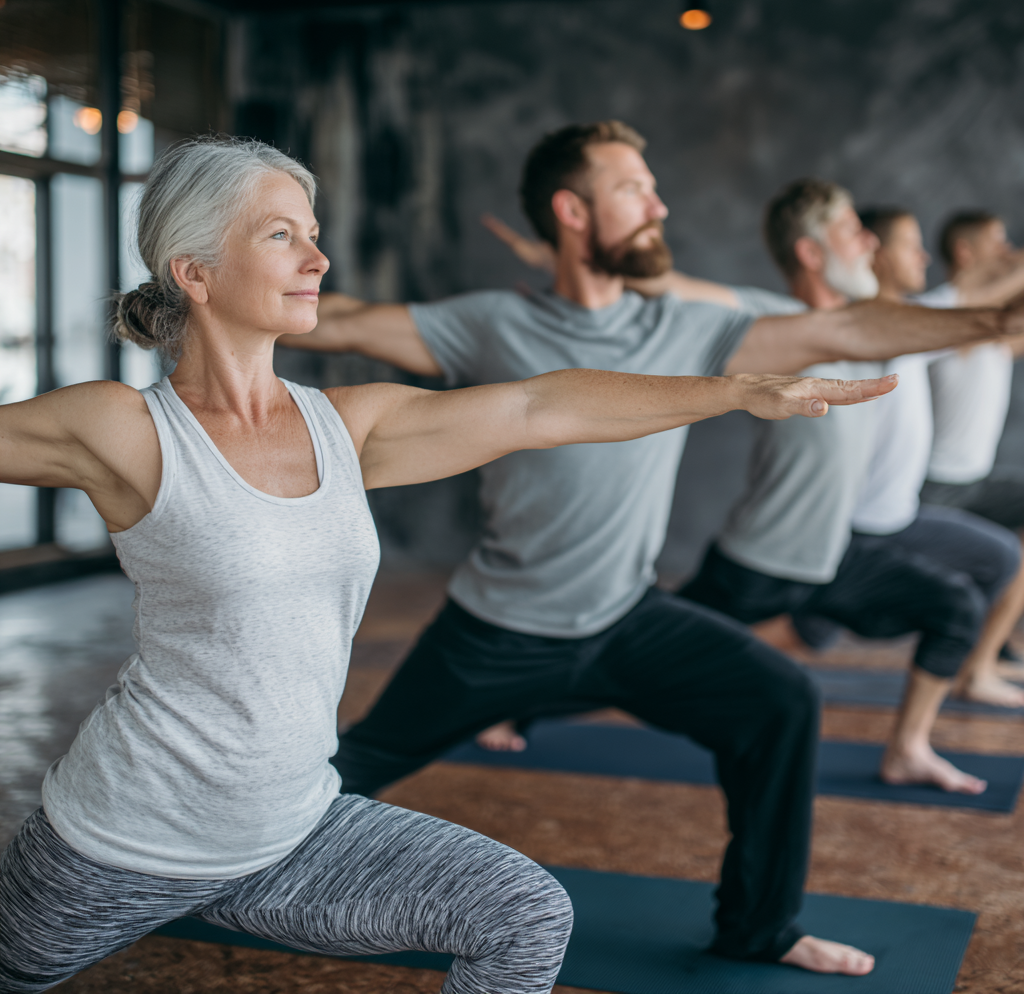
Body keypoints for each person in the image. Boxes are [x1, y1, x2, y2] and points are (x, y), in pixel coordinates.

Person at [0, 137, 881, 994]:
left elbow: (543, 405)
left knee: (525, 916)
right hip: (119, 842)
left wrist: (731, 393)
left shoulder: (348, 427)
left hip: (293, 832)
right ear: (194, 271)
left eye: (313, 232)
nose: (319, 257)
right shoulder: (124, 428)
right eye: (282, 235)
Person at [281, 121, 1024, 975]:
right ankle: (205, 859)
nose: (657, 203)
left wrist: (994, 318)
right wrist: (201, 295)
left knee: (779, 704)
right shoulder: (487, 323)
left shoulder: (687, 325)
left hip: (627, 617)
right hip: (496, 630)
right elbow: (338, 321)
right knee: (346, 772)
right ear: (572, 210)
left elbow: (849, 329)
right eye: (634, 188)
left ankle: (760, 928)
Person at [681, 182, 1020, 797]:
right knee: (636, 646)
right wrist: (622, 277)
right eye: (850, 231)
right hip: (760, 556)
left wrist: (1001, 311)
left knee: (952, 608)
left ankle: (908, 749)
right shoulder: (778, 324)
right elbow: (693, 294)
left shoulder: (874, 330)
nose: (866, 239)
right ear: (811, 252)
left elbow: (971, 315)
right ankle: (530, 702)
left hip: (830, 554)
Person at [837, 208, 1024, 708]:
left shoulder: (958, 319)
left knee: (998, 559)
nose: (1007, 254)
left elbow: (1008, 321)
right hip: (933, 486)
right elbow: (985, 300)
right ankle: (978, 662)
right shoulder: (925, 313)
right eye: (998, 244)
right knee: (806, 628)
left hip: (955, 485)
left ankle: (987, 653)